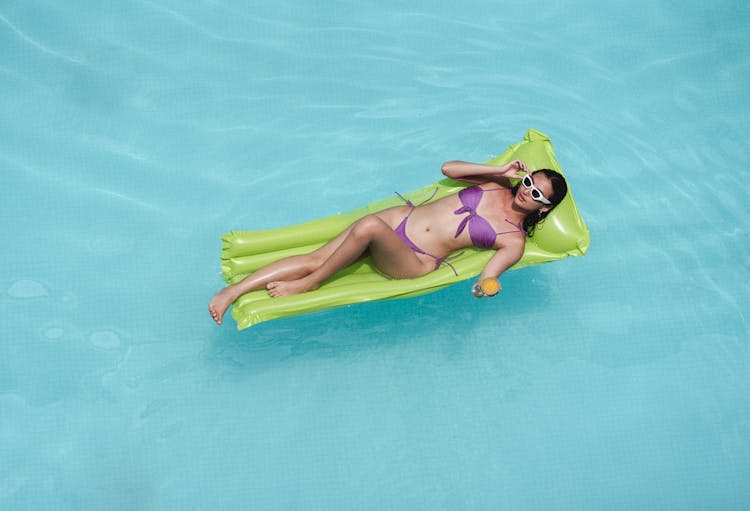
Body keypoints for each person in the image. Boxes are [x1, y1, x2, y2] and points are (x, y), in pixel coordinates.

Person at [208, 159, 567, 325]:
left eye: (537, 194)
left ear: (545, 207)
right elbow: (448, 170)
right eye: (528, 182)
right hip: (402, 218)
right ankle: (233, 291)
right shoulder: (495, 184)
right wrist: (500, 170)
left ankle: (311, 283)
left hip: (413, 258)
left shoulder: (512, 239)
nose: (527, 192)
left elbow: (488, 276)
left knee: (366, 227)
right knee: (315, 255)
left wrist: (485, 289)